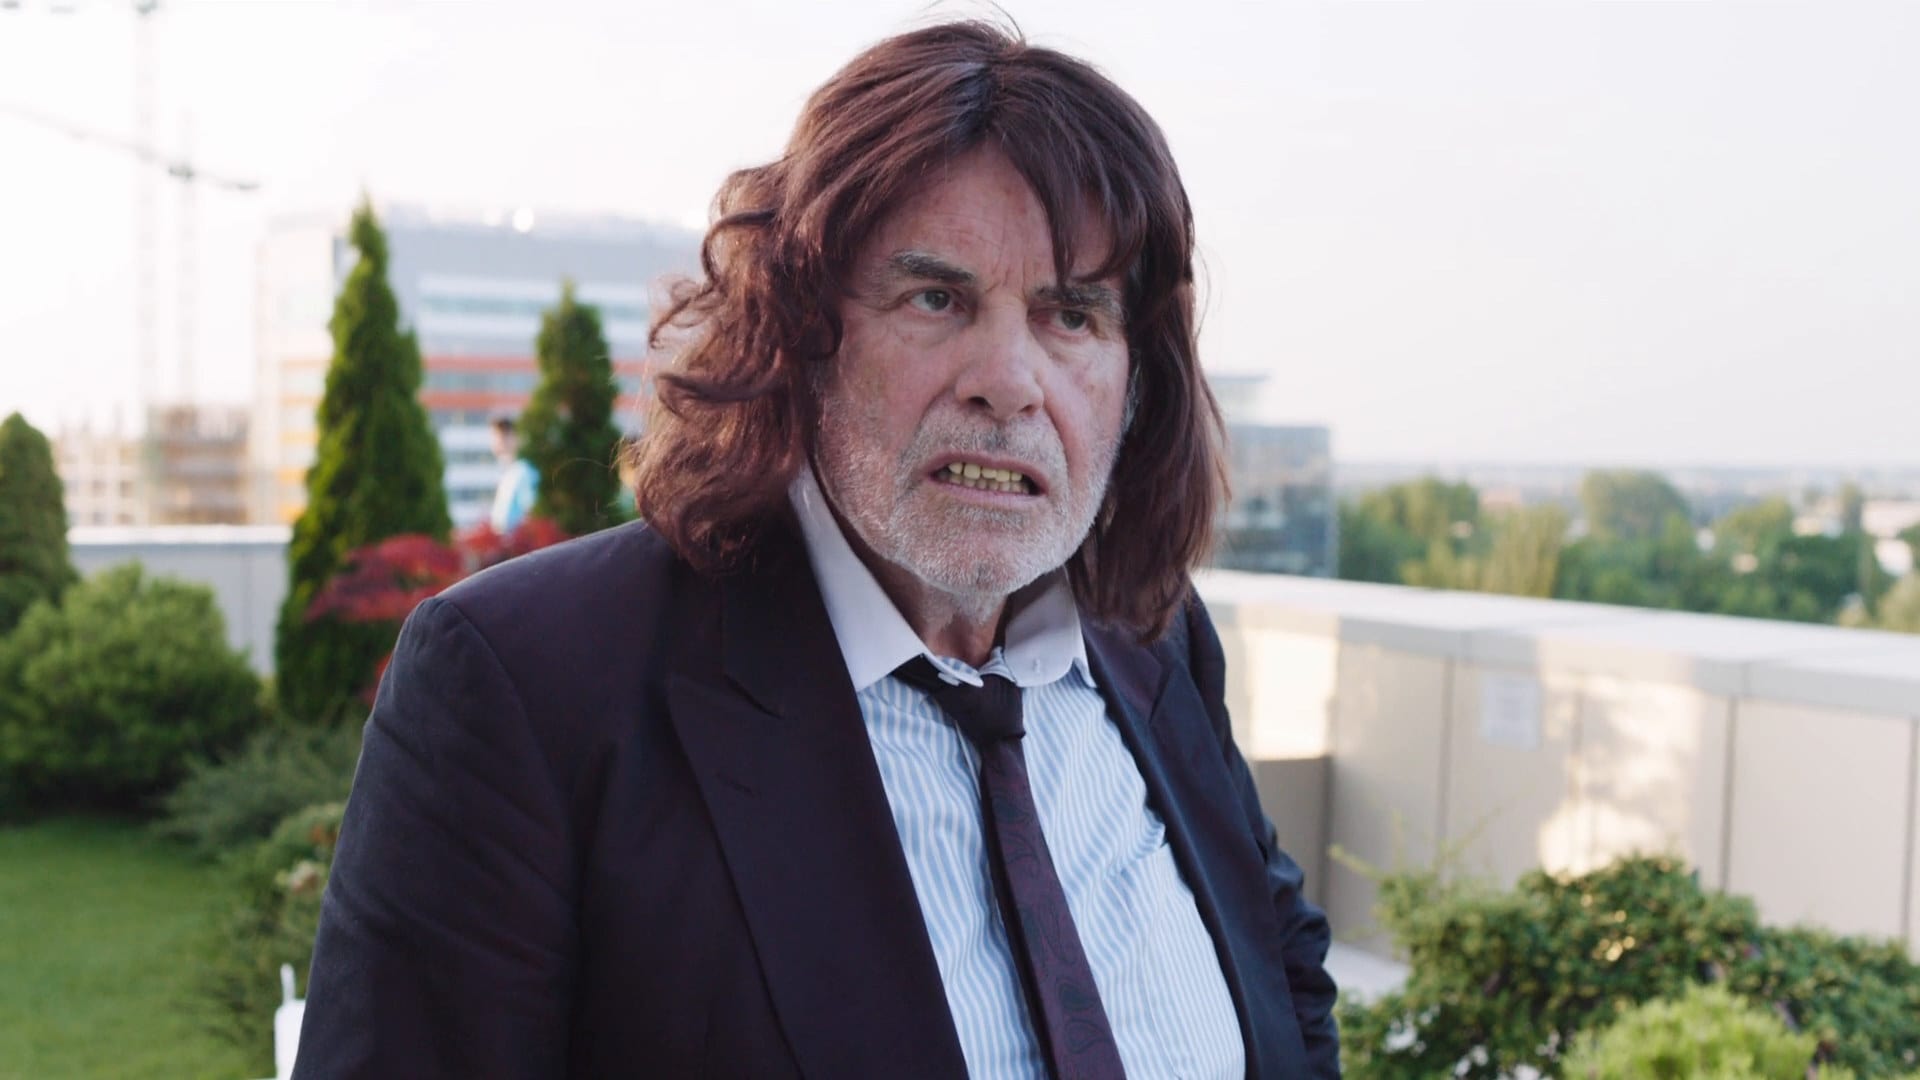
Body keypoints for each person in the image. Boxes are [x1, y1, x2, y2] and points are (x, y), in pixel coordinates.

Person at [296, 21, 1338, 1079]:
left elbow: (1285, 989)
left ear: (1135, 375)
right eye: (937, 299)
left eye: (1071, 315)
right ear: (798, 331)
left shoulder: (1155, 642)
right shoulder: (528, 685)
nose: (1009, 382)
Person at [488, 412, 539, 534]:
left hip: (518, 542)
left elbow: (531, 512)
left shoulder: (523, 471)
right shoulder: (507, 473)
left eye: (502, 436)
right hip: (503, 541)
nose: (496, 441)